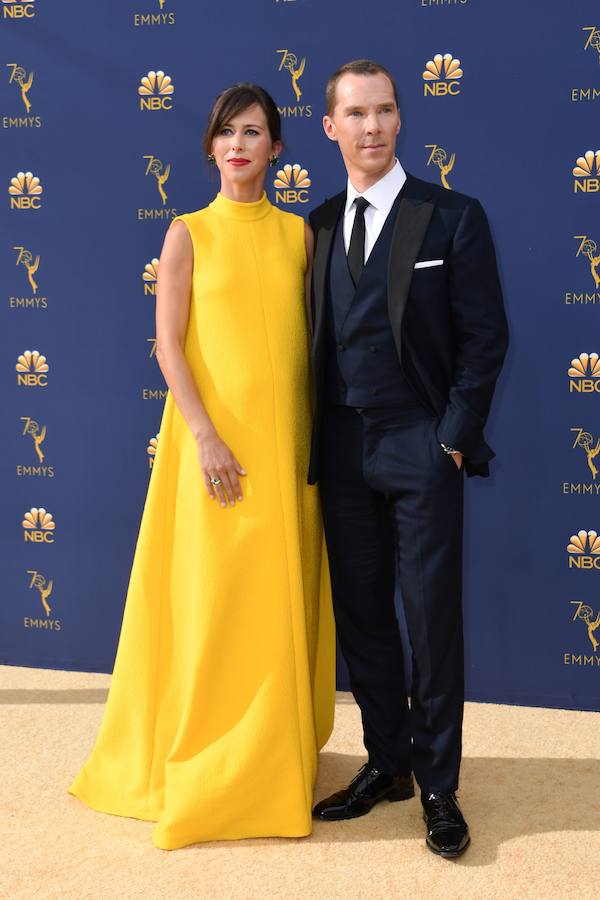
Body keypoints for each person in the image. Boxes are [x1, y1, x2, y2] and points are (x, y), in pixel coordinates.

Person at [68, 83, 335, 850]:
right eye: (226, 132)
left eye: (253, 132)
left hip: (285, 449)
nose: (239, 145)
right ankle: (209, 763)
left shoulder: (300, 236)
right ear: (210, 147)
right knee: (215, 603)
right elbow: (168, 344)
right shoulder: (186, 233)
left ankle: (272, 760)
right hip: (211, 447)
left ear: (277, 148)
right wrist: (206, 436)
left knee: (273, 599)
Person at [308, 60, 509, 858]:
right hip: (340, 445)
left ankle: (439, 785)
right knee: (362, 615)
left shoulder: (451, 215)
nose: (373, 126)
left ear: (400, 119)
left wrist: (452, 438)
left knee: (429, 619)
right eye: (356, 113)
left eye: (385, 110)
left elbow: (485, 338)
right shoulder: (319, 224)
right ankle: (387, 762)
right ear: (331, 127)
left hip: (420, 441)